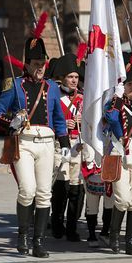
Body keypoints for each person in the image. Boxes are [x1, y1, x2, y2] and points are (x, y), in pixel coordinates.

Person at [0, 36, 70, 258]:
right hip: (24, 143)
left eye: (42, 64)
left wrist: (64, 144)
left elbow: (59, 119)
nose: (40, 68)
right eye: (35, 64)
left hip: (46, 142)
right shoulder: (15, 85)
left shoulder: (52, 87)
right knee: (27, 190)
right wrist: (11, 121)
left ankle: (39, 241)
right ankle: (23, 235)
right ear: (27, 64)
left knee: (44, 193)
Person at [104, 53, 132, 256]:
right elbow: (111, 120)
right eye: (128, 85)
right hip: (119, 152)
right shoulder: (114, 105)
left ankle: (130, 241)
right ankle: (114, 236)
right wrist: (117, 97)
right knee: (122, 199)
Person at [50, 53, 85, 242]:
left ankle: (72, 227)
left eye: (76, 77)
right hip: (60, 145)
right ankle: (56, 224)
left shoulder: (82, 97)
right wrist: (64, 123)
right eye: (70, 77)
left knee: (76, 189)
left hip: (78, 146)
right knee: (60, 188)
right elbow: (49, 119)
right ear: (63, 78)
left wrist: (82, 120)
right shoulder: (55, 95)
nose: (74, 80)